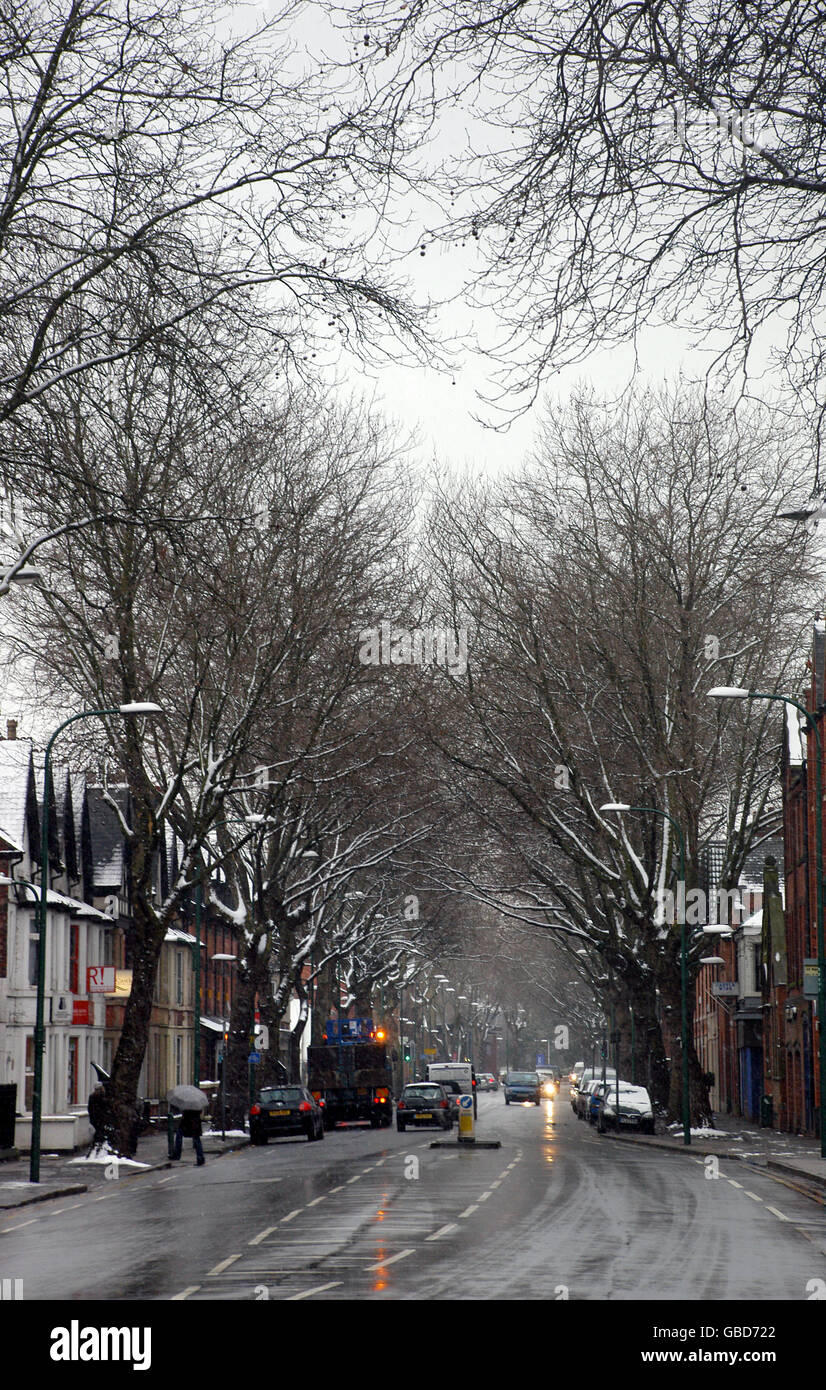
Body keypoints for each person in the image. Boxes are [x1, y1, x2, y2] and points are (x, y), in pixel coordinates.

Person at [87, 1084, 107, 1151]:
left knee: (98, 1131)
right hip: (100, 1117)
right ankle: (98, 1144)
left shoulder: (92, 1096)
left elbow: (90, 1108)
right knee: (100, 1131)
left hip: (95, 1117)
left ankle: (96, 1144)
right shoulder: (102, 1097)